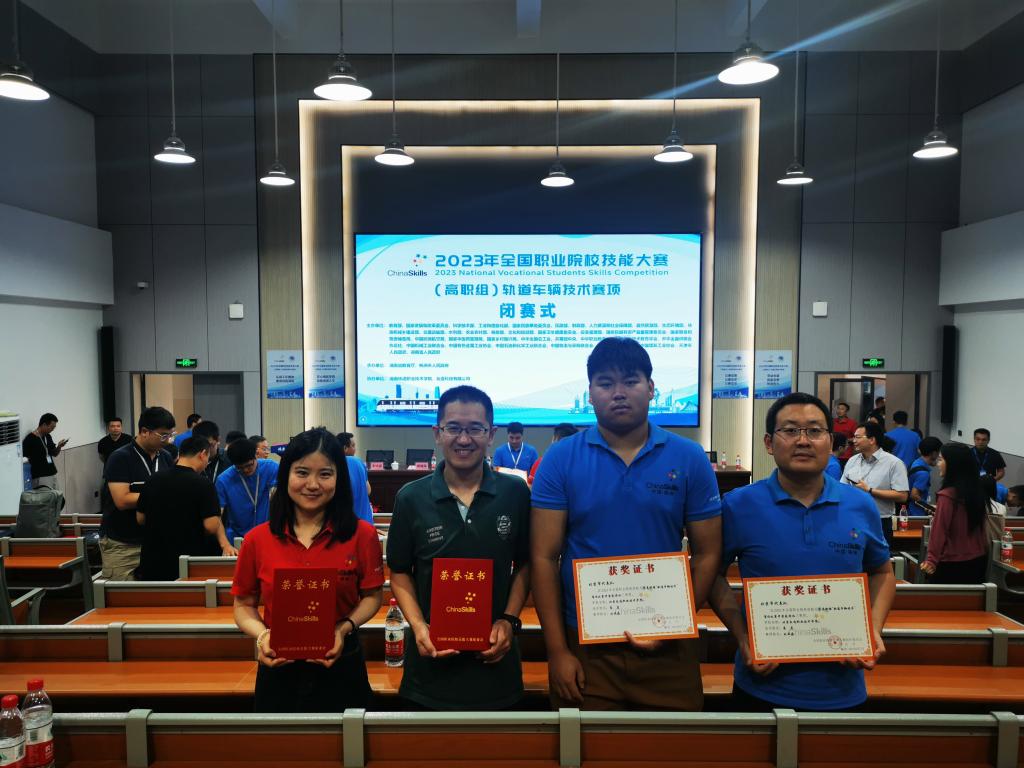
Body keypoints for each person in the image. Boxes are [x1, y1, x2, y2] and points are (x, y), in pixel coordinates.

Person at [531, 337, 721, 711]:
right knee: (582, 743)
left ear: (651, 388)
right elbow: (543, 557)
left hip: (669, 648)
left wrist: (674, 623)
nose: (618, 393)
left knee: (676, 743)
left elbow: (708, 553)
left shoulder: (689, 457)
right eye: (605, 383)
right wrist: (557, 651)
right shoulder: (560, 459)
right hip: (584, 646)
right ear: (590, 394)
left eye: (631, 381)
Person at [708, 392, 894, 712]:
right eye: (791, 430)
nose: (803, 441)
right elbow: (712, 575)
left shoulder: (861, 504)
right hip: (761, 686)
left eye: (815, 430)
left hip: (843, 684)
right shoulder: (738, 504)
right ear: (769, 443)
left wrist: (872, 631)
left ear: (831, 441)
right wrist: (742, 637)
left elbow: (882, 572)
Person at [387, 386, 531, 710]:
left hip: (497, 671)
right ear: (437, 433)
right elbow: (399, 572)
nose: (463, 439)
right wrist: (418, 626)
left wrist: (508, 620)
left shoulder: (515, 493)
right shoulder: (410, 498)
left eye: (475, 429)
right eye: (453, 428)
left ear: (491, 434)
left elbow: (526, 563)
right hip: (428, 673)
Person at [232, 428, 384, 713]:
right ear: (286, 475)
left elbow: (373, 596)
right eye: (302, 472)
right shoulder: (256, 540)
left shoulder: (362, 535)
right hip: (278, 666)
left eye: (325, 474)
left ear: (339, 479)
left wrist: (343, 628)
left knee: (349, 741)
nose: (313, 484)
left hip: (342, 662)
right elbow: (243, 605)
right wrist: (263, 636)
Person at [136, 436, 236, 580]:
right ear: (202, 454)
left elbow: (140, 518)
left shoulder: (153, 479)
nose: (207, 463)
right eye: (207, 458)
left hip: (153, 561)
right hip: (189, 563)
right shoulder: (203, 484)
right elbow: (211, 526)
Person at [100, 407, 176, 580]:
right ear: (144, 432)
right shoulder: (120, 457)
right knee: (122, 593)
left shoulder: (165, 457)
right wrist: (163, 496)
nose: (168, 440)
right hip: (123, 543)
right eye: (163, 435)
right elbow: (122, 500)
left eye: (171, 435)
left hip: (156, 540)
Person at [920, 443, 993, 584]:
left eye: (941, 459)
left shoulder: (947, 496)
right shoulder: (977, 492)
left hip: (951, 563)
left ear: (953, 464)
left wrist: (931, 559)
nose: (938, 464)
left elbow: (939, 531)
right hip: (978, 560)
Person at [840, 421, 908, 544]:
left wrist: (870, 490)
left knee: (878, 555)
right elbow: (842, 488)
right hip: (854, 519)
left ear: (872, 440)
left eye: (858, 437)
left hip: (880, 521)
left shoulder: (894, 463)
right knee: (854, 552)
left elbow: (902, 496)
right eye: (854, 437)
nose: (854, 441)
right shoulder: (852, 461)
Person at [216, 438, 279, 541]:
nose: (245, 470)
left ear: (256, 455)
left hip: (267, 535)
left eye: (249, 465)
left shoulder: (271, 468)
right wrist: (225, 545)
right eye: (240, 467)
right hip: (237, 537)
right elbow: (217, 517)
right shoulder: (224, 480)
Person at [22, 413, 67, 488]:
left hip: (52, 473)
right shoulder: (30, 439)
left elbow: (54, 453)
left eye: (54, 428)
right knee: (45, 496)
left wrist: (59, 446)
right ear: (44, 424)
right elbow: (24, 459)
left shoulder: (48, 437)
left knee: (58, 495)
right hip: (40, 476)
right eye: (52, 427)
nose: (52, 430)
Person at [908, 437, 942, 513]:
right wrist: (930, 507)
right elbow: (914, 495)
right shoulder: (923, 473)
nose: (939, 456)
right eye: (938, 452)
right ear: (934, 453)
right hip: (916, 513)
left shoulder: (915, 462)